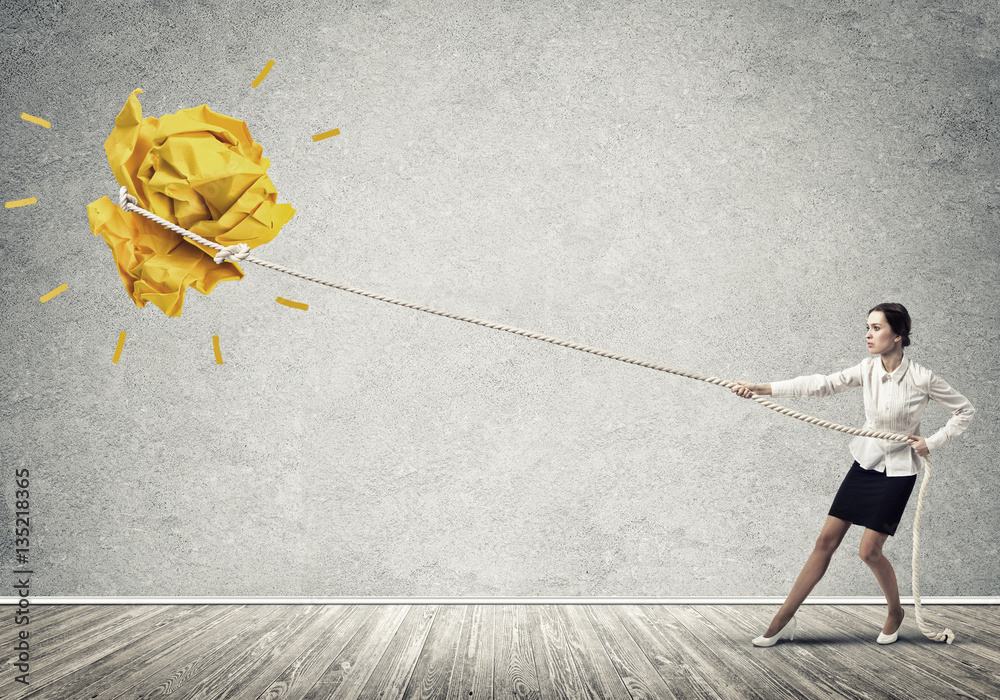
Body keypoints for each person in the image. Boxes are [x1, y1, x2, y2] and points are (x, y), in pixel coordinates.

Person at [730, 303, 974, 646]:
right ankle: (782, 620)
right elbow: (821, 384)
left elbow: (965, 410)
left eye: (876, 328)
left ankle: (895, 612)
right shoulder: (867, 369)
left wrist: (931, 441)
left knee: (869, 552)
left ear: (898, 335)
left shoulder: (922, 378)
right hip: (866, 463)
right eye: (868, 327)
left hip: (898, 472)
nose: (868, 334)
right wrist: (761, 387)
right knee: (824, 542)